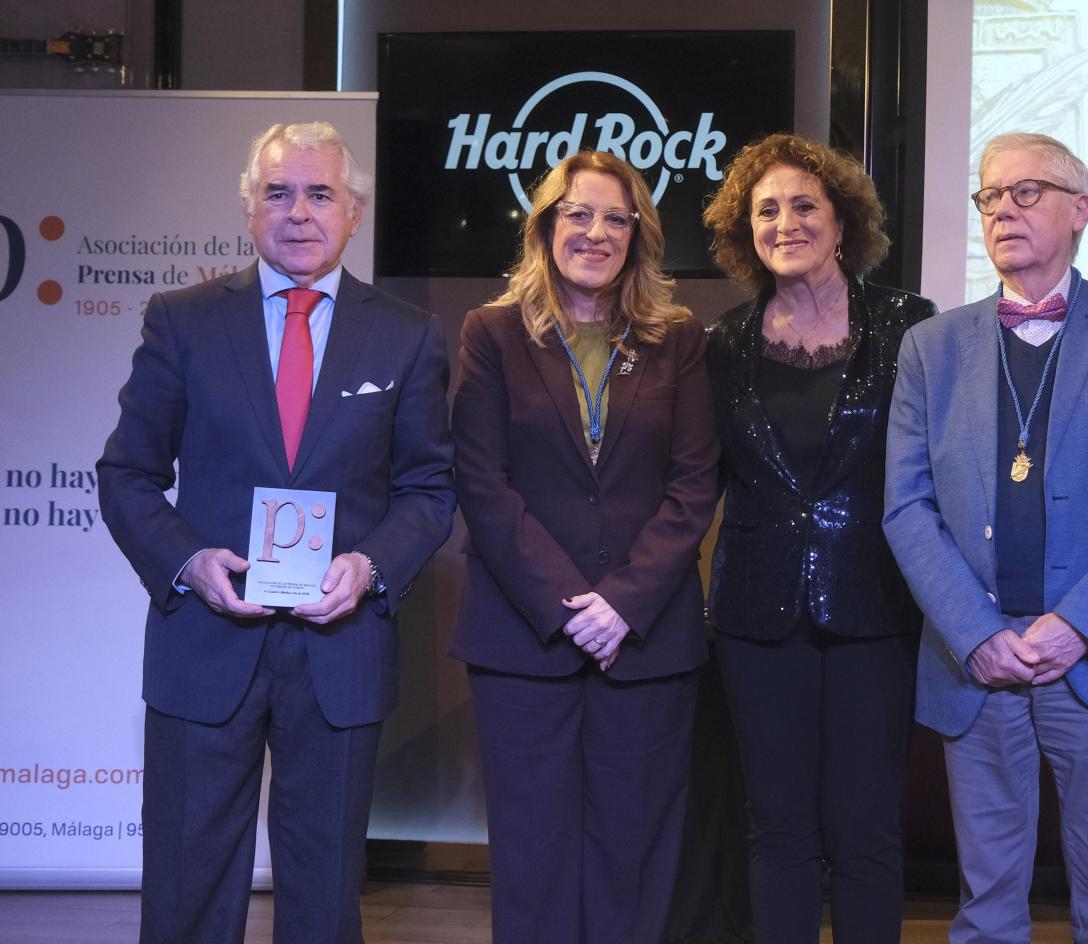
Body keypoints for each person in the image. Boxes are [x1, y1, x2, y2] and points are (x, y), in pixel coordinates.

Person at [96, 121, 455, 943]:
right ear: (250, 210)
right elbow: (126, 476)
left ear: (354, 211)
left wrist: (370, 566)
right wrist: (188, 560)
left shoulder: (407, 335)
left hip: (341, 648)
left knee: (324, 897)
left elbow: (429, 489)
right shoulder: (182, 320)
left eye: (320, 193)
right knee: (187, 888)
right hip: (206, 643)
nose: (299, 212)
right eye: (278, 193)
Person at [882, 131, 1088, 944]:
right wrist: (975, 632)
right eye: (990, 196)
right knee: (985, 910)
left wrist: (1077, 624)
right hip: (976, 657)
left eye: (1028, 193)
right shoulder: (930, 345)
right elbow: (907, 507)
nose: (1004, 212)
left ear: (1079, 210)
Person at [449, 150, 719, 944]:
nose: (595, 233)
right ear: (545, 227)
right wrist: (571, 605)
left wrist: (621, 604)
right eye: (578, 215)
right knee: (532, 857)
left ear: (638, 234)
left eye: (614, 218)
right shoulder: (492, 334)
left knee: (631, 857)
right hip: (523, 639)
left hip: (645, 643)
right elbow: (481, 481)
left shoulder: (679, 340)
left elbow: (695, 485)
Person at [701, 132, 934, 943]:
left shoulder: (911, 326)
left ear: (843, 222)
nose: (785, 222)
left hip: (876, 607)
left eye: (805, 205)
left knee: (867, 829)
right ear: (745, 230)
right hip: (755, 616)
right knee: (778, 827)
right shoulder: (722, 344)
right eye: (766, 210)